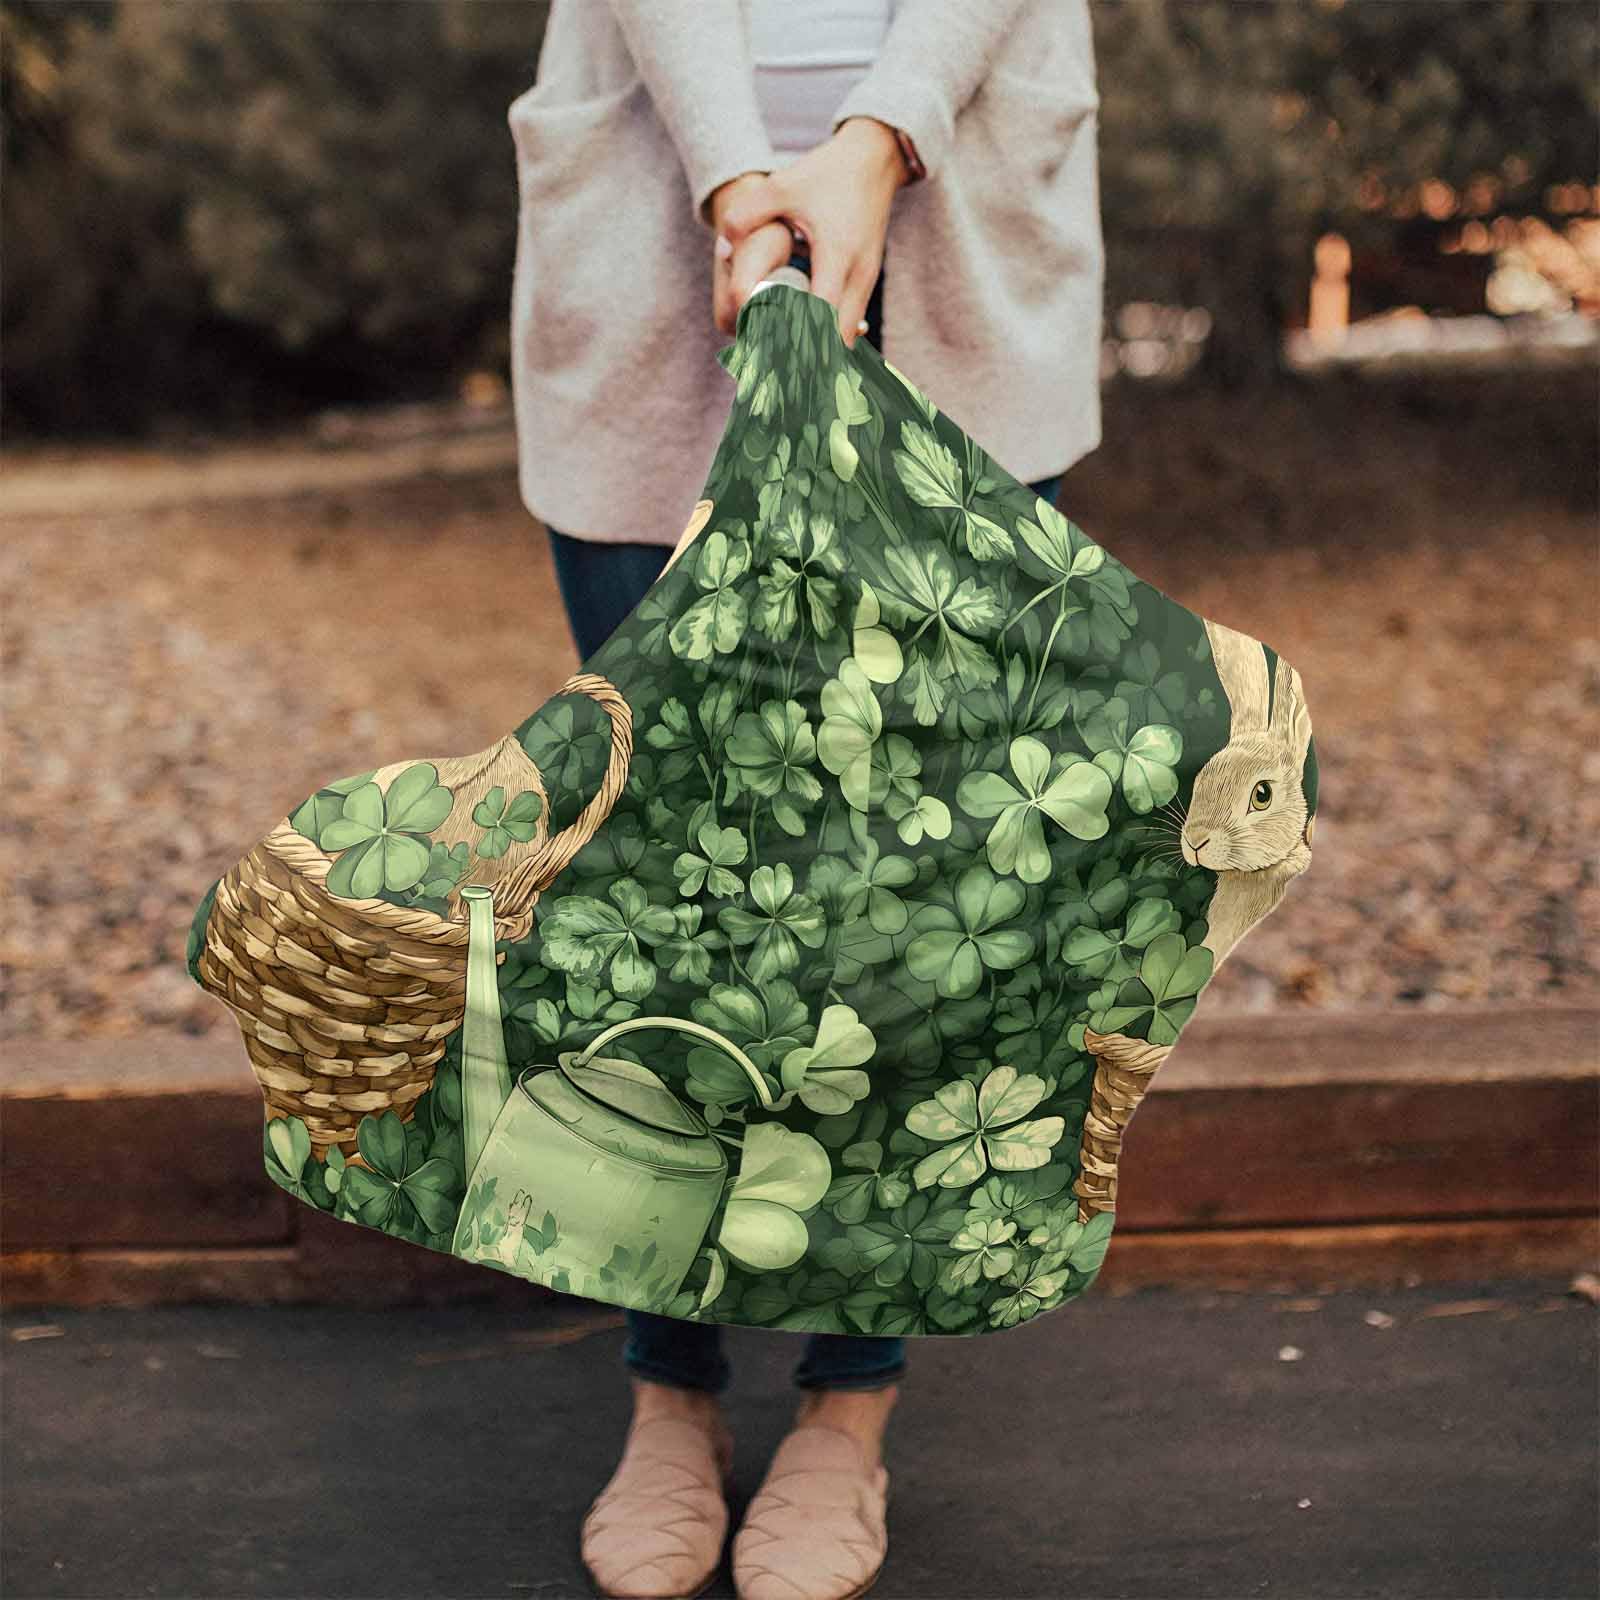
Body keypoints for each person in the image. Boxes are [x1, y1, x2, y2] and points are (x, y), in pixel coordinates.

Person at [505, 4, 1103, 1596]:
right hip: (657, 215)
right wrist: (734, 176)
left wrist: (877, 137)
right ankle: (669, 1392)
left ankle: (849, 1405)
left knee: (907, 889)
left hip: (959, 224)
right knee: (669, 875)